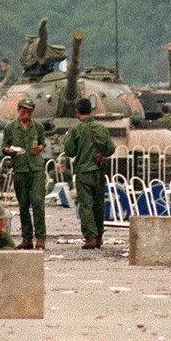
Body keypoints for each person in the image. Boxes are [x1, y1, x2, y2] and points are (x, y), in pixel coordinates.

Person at [64, 98, 115, 249]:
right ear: (91, 111)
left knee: (86, 205)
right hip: (99, 172)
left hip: (83, 171)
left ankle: (90, 237)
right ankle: (99, 236)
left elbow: (69, 151)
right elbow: (110, 149)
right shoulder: (101, 128)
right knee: (99, 204)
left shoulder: (75, 129)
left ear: (76, 112)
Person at [2, 96, 47, 249]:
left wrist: (40, 148)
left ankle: (40, 237)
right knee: (23, 205)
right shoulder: (10, 128)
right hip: (20, 168)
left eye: (28, 111)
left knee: (37, 202)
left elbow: (42, 143)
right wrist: (8, 150)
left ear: (32, 112)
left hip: (36, 169)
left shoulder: (38, 127)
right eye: (23, 111)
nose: (25, 114)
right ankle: (27, 238)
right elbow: (4, 145)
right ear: (18, 111)